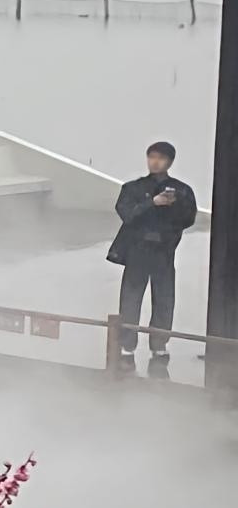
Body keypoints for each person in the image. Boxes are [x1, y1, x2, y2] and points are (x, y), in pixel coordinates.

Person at [107, 139, 200, 375]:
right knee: (131, 298)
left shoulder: (181, 190)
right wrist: (152, 203)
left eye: (160, 158)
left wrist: (173, 204)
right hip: (138, 250)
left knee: (164, 299)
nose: (155, 162)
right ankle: (127, 345)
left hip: (163, 251)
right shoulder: (132, 188)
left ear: (169, 162)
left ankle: (159, 345)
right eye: (152, 157)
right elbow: (127, 214)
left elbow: (188, 218)